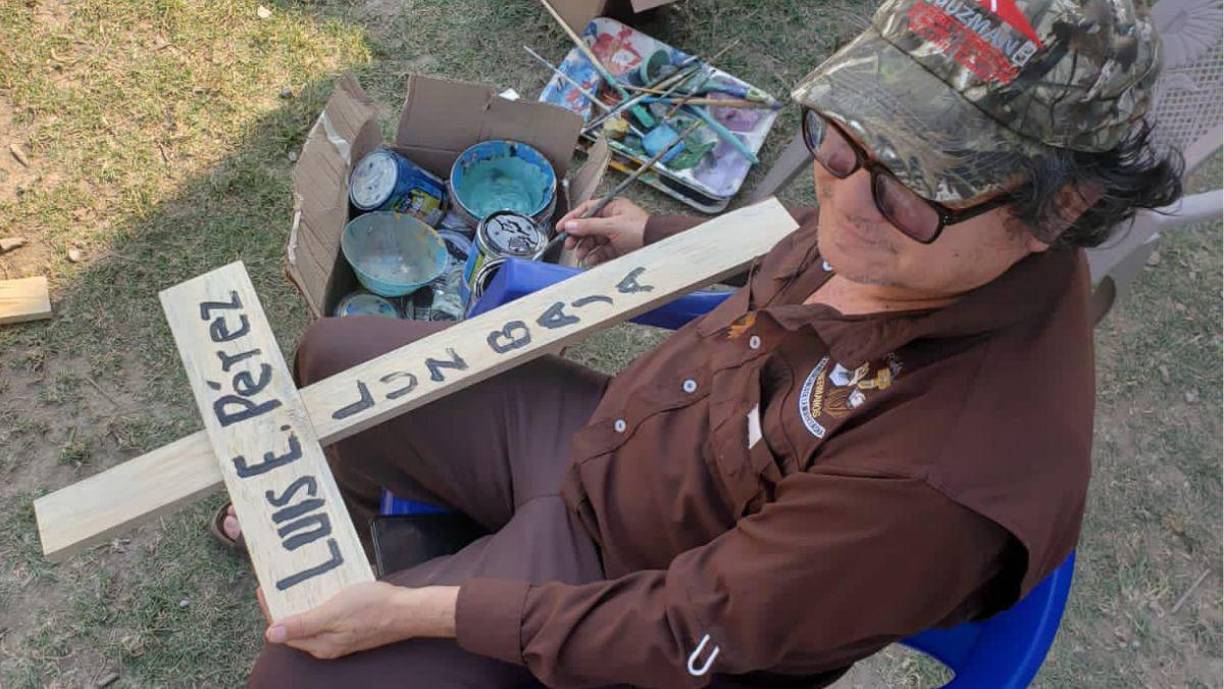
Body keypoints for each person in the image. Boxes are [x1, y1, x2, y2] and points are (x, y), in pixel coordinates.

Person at [229, 0, 1182, 685]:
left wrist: (420, 612)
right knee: (337, 365)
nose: (844, 195)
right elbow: (798, 249)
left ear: (1063, 205)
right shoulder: (932, 237)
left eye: (910, 178)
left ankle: (406, 589)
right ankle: (359, 547)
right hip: (620, 446)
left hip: (641, 588)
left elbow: (689, 624)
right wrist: (657, 238)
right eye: (844, 137)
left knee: (294, 674)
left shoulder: (937, 483)